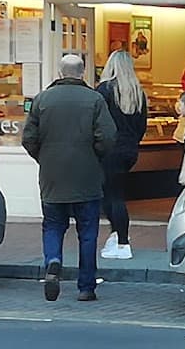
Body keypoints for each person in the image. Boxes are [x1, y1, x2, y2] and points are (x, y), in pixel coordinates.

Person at [21, 54, 116, 303]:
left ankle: (53, 260)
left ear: (60, 73)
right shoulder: (95, 99)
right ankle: (86, 287)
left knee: (53, 225)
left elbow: (28, 137)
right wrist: (95, 158)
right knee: (87, 232)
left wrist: (44, 158)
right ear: (82, 73)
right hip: (87, 177)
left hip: (52, 176)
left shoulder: (42, 99)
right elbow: (107, 137)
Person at [95, 50, 147, 260]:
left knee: (112, 196)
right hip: (129, 150)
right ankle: (117, 236)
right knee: (116, 193)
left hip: (110, 150)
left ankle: (122, 241)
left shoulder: (105, 90)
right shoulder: (138, 92)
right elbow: (141, 126)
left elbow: (97, 122)